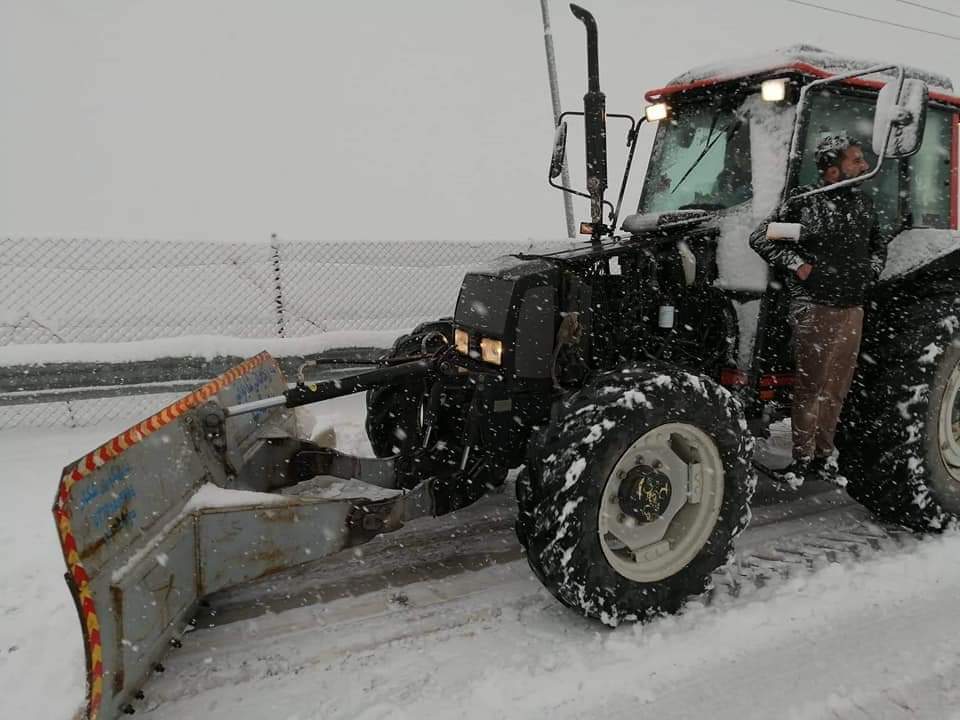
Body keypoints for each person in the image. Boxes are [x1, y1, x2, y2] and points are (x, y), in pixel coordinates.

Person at [749, 133, 886, 483]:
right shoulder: (804, 204)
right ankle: (802, 459)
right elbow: (763, 237)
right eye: (856, 160)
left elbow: (878, 246)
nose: (865, 166)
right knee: (811, 388)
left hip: (852, 309)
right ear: (833, 169)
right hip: (814, 308)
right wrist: (798, 265)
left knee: (837, 389)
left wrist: (868, 273)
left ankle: (824, 456)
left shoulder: (864, 204)